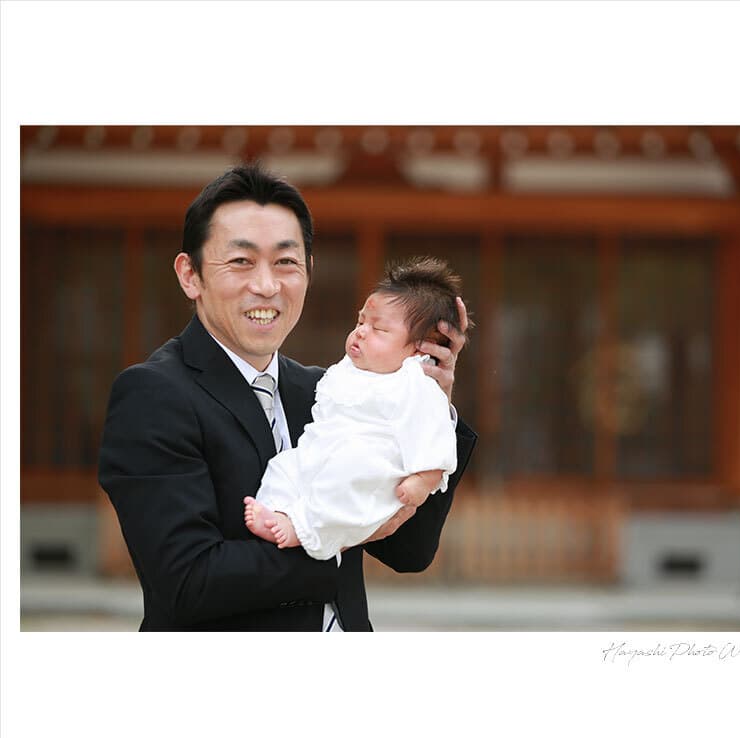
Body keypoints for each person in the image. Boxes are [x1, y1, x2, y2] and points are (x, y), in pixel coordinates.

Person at [97, 164, 477, 631]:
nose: (267, 285)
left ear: (308, 272)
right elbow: (187, 581)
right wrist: (327, 544)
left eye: (286, 262)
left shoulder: (329, 392)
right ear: (190, 275)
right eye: (241, 261)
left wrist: (431, 403)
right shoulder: (153, 394)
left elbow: (408, 551)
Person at [243, 257, 469, 561]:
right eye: (360, 322)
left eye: (378, 329)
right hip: (319, 451)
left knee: (341, 483)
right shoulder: (342, 373)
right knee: (284, 467)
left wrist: (423, 478)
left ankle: (306, 529)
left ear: (420, 349)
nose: (361, 331)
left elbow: (411, 553)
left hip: (365, 466)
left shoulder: (415, 384)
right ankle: (279, 511)